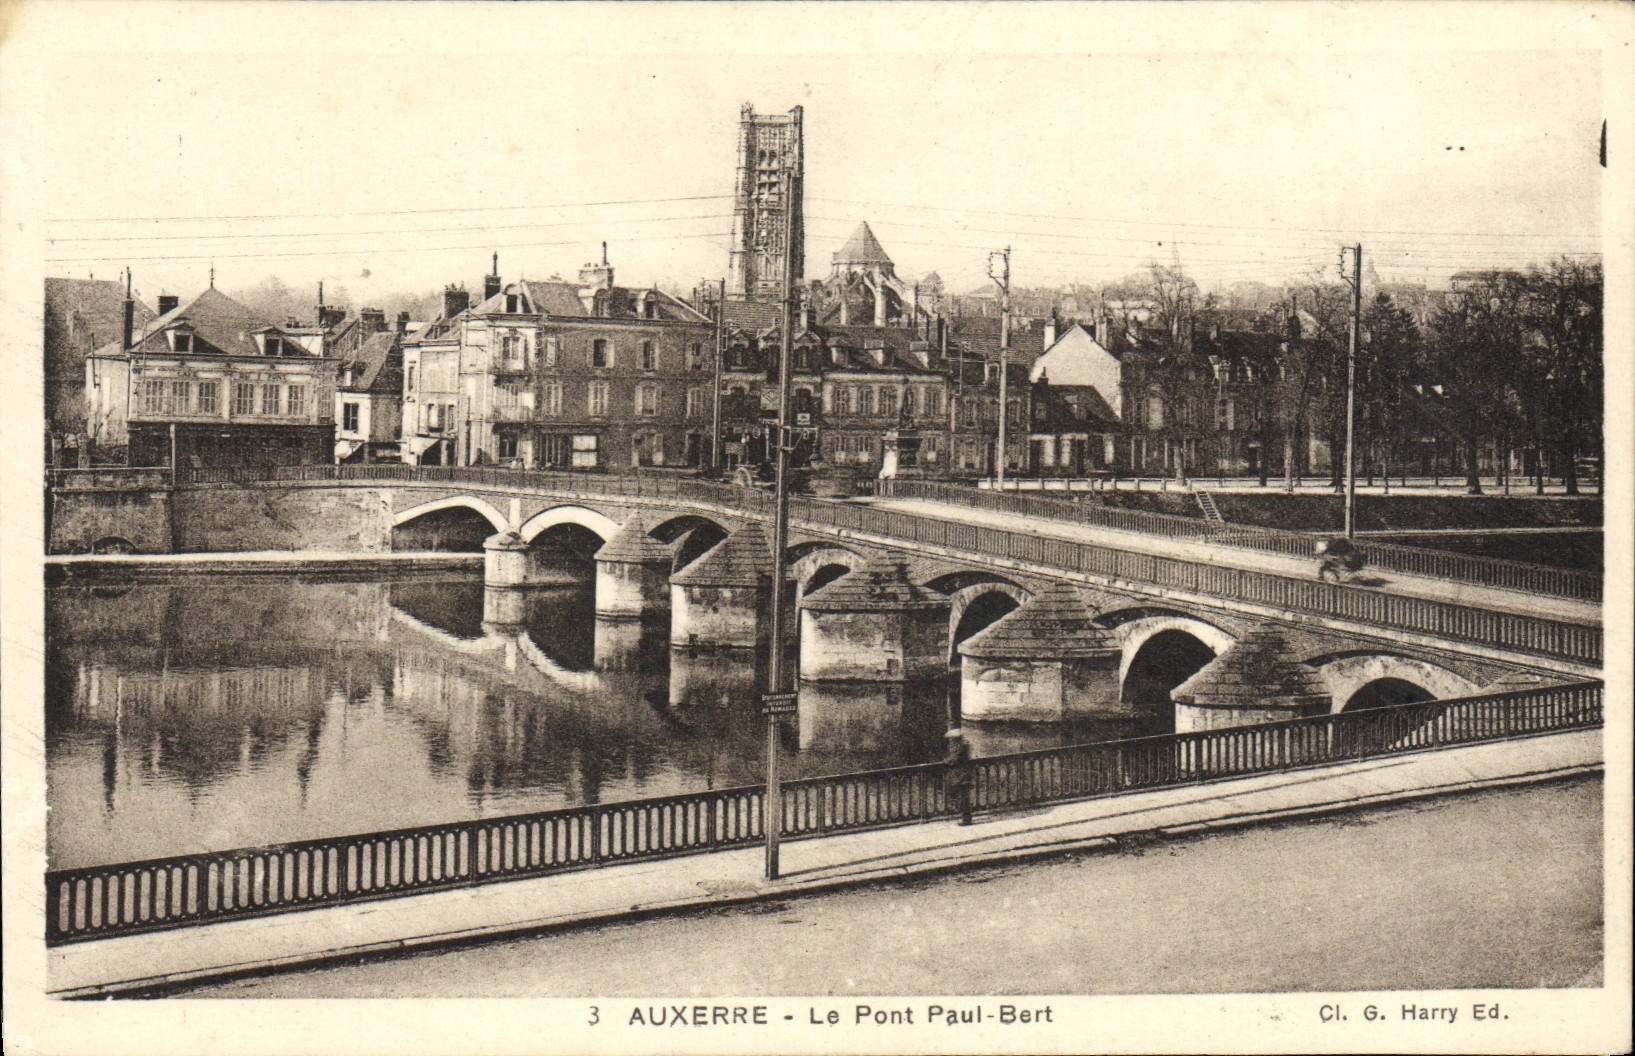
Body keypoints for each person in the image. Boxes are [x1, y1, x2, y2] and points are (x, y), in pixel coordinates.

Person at [944, 728, 973, 825]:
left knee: (962, 798)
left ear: (955, 739)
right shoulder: (965, 745)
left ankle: (965, 820)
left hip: (960, 776)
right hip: (965, 775)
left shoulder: (958, 747)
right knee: (965, 797)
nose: (951, 741)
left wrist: (946, 761)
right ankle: (966, 818)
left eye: (952, 739)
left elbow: (953, 760)